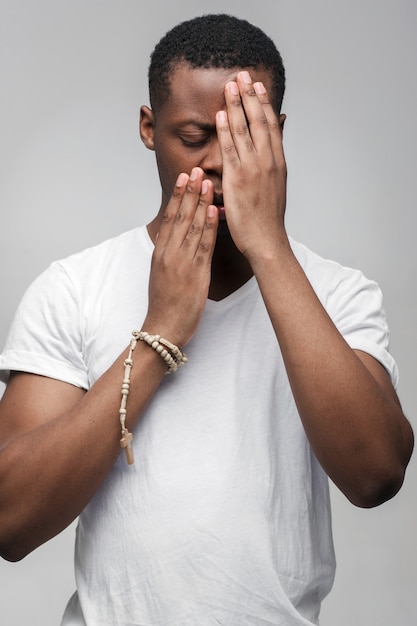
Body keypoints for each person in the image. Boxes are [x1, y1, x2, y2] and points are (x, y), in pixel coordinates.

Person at [0, 13, 413, 626]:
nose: (220, 161)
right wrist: (160, 333)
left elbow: (376, 473)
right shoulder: (73, 288)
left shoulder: (338, 292)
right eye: (194, 136)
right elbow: (10, 520)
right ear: (148, 128)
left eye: (246, 134)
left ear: (279, 135)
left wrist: (268, 246)